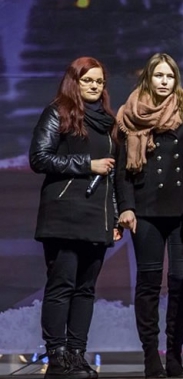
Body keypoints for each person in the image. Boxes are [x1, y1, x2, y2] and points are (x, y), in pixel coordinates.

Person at [116, 53, 183, 378]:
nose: (165, 81)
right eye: (159, 76)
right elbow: (123, 169)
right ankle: (151, 356)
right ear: (148, 79)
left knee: (180, 284)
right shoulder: (130, 114)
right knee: (149, 285)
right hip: (147, 209)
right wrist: (125, 206)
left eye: (170, 76)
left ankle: (175, 355)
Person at [30, 57, 119, 379]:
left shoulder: (109, 122)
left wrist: (117, 216)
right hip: (64, 215)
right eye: (88, 80)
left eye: (100, 81)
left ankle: (78, 355)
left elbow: (115, 173)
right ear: (75, 82)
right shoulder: (58, 112)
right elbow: (39, 158)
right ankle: (57, 358)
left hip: (97, 216)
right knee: (62, 285)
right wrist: (87, 164)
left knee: (85, 289)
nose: (95, 86)